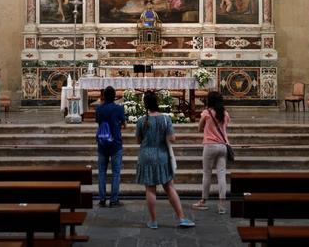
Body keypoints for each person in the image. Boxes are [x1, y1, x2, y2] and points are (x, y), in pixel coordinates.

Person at [136, 90, 195, 229]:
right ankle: (181, 218)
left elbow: (138, 140)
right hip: (162, 155)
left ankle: (153, 221)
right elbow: (172, 138)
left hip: (146, 155)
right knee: (169, 187)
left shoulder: (141, 121)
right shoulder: (165, 119)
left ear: (145, 104)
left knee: (150, 189)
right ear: (157, 102)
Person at [193, 91, 230, 214]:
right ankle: (222, 205)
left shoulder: (206, 113)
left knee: (207, 173)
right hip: (223, 145)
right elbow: (224, 127)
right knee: (221, 175)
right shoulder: (225, 114)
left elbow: (199, 129)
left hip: (209, 145)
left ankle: (203, 201)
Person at [96, 86, 126, 207]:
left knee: (102, 172)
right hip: (115, 143)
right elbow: (123, 123)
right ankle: (114, 199)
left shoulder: (99, 109)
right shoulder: (119, 109)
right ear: (114, 96)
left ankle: (102, 199)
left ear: (104, 96)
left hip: (102, 143)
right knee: (116, 173)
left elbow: (98, 122)